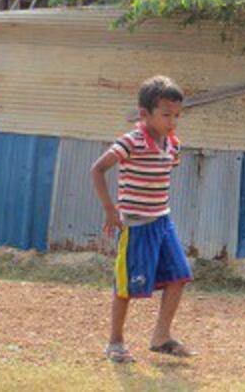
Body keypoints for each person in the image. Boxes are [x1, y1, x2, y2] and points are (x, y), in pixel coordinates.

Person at [91, 75, 195, 362]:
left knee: (179, 275)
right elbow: (98, 170)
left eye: (176, 115)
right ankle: (115, 342)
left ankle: (161, 336)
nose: (172, 121)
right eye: (165, 115)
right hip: (136, 225)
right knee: (127, 286)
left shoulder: (172, 143)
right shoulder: (131, 141)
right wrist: (111, 210)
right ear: (144, 114)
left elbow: (164, 170)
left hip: (162, 220)